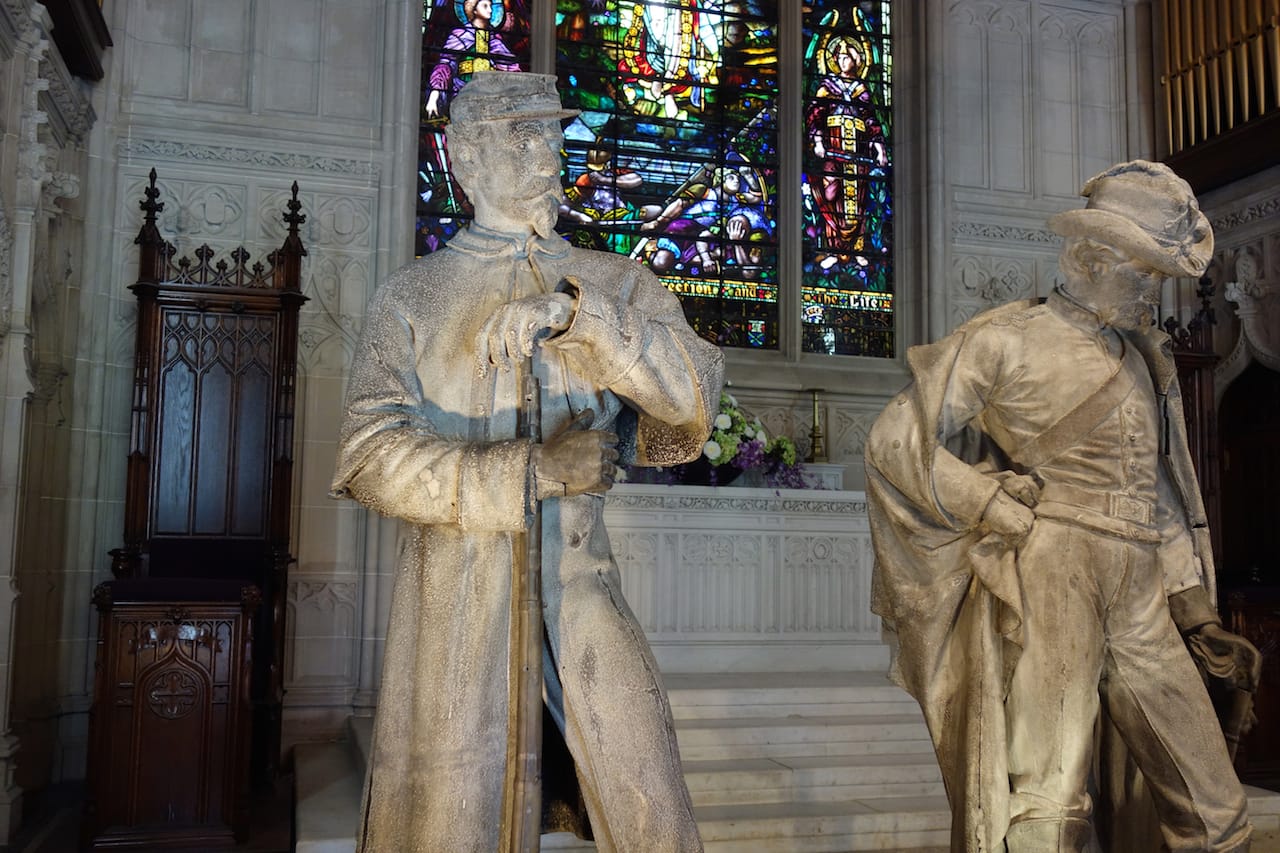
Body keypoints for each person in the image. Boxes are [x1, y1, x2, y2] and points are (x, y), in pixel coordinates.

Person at [332, 71, 719, 852]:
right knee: (455, 819)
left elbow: (694, 391)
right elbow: (369, 456)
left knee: (650, 807)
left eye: (553, 135)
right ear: (464, 160)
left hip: (582, 599)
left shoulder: (612, 282)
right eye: (522, 135)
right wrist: (530, 471)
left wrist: (579, 317)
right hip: (456, 612)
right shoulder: (415, 295)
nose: (550, 154)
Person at [865, 160, 1260, 853]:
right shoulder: (1002, 339)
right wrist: (986, 498)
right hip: (1054, 568)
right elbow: (896, 440)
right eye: (1143, 272)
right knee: (1047, 801)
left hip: (1140, 585)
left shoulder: (1142, 359)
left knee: (1214, 801)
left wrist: (1195, 612)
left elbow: (1159, 494)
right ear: (1088, 257)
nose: (1153, 291)